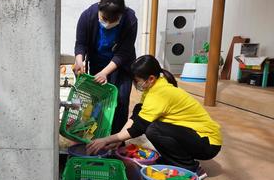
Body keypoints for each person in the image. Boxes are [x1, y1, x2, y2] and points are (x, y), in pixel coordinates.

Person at [87, 55, 222, 172]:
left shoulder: (159, 94)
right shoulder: (155, 86)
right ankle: (175, 160)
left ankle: (189, 167)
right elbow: (136, 115)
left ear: (151, 78)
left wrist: (106, 140)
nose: (135, 84)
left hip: (208, 143)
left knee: (153, 129)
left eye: (136, 81)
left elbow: (138, 127)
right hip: (194, 136)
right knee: (153, 126)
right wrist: (119, 139)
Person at [74, 0, 138, 134]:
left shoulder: (130, 19)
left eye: (113, 20)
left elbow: (124, 52)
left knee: (120, 100)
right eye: (104, 18)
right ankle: (95, 134)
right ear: (99, 8)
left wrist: (105, 72)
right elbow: (81, 43)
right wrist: (79, 61)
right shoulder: (87, 16)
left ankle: (115, 141)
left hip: (121, 66)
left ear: (121, 14)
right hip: (97, 63)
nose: (107, 23)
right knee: (97, 100)